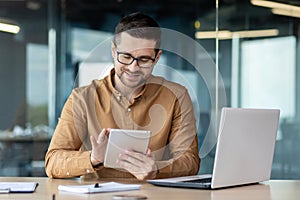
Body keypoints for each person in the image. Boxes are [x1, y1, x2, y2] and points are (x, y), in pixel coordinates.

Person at [45, 12, 200, 181]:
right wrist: (93, 158)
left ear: (157, 58)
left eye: (144, 59)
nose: (133, 68)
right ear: (113, 51)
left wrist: (157, 169)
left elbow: (190, 162)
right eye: (126, 57)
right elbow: (53, 162)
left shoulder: (176, 96)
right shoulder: (82, 98)